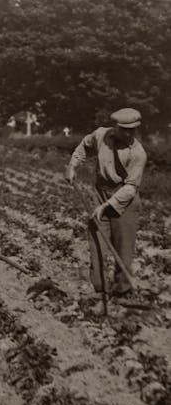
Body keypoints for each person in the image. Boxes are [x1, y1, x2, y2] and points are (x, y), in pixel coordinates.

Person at [65, 108, 147, 310]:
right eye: (124, 130)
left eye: (133, 130)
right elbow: (85, 146)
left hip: (124, 200)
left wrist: (106, 206)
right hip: (100, 192)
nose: (128, 134)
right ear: (116, 127)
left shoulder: (138, 153)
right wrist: (72, 165)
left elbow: (130, 188)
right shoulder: (101, 135)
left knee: (123, 247)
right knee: (96, 242)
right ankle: (100, 291)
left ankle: (122, 293)